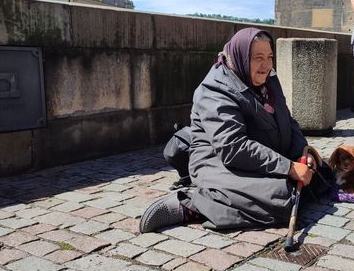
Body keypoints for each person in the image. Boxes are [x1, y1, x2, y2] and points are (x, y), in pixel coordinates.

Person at [139, 28, 328, 233]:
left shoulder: (269, 80)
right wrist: (288, 168)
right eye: (258, 58)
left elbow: (288, 120)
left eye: (270, 57)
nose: (266, 65)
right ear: (241, 57)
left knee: (319, 174)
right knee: (281, 197)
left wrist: (301, 152)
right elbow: (233, 147)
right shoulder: (215, 90)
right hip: (219, 161)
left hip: (260, 156)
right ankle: (192, 204)